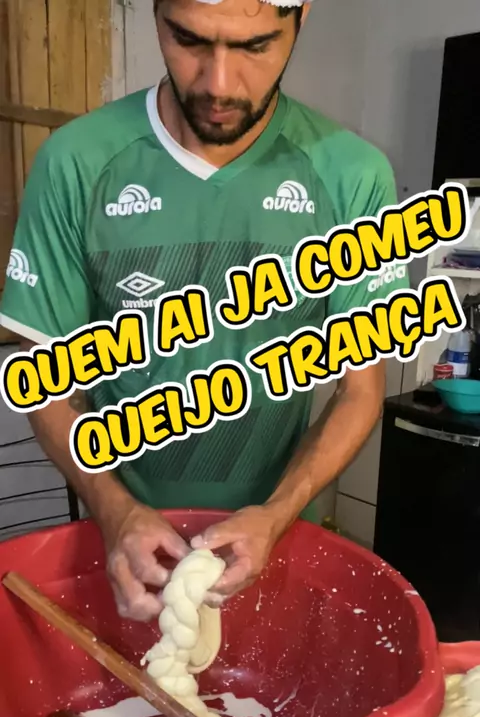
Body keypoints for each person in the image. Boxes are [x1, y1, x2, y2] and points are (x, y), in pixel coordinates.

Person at [0, 0, 408, 622]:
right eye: (189, 39)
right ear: (156, 14)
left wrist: (276, 515)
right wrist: (115, 511)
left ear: (301, 17)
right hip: (120, 545)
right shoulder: (76, 161)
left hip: (275, 536)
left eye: (254, 46)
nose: (218, 84)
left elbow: (361, 389)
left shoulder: (351, 174)